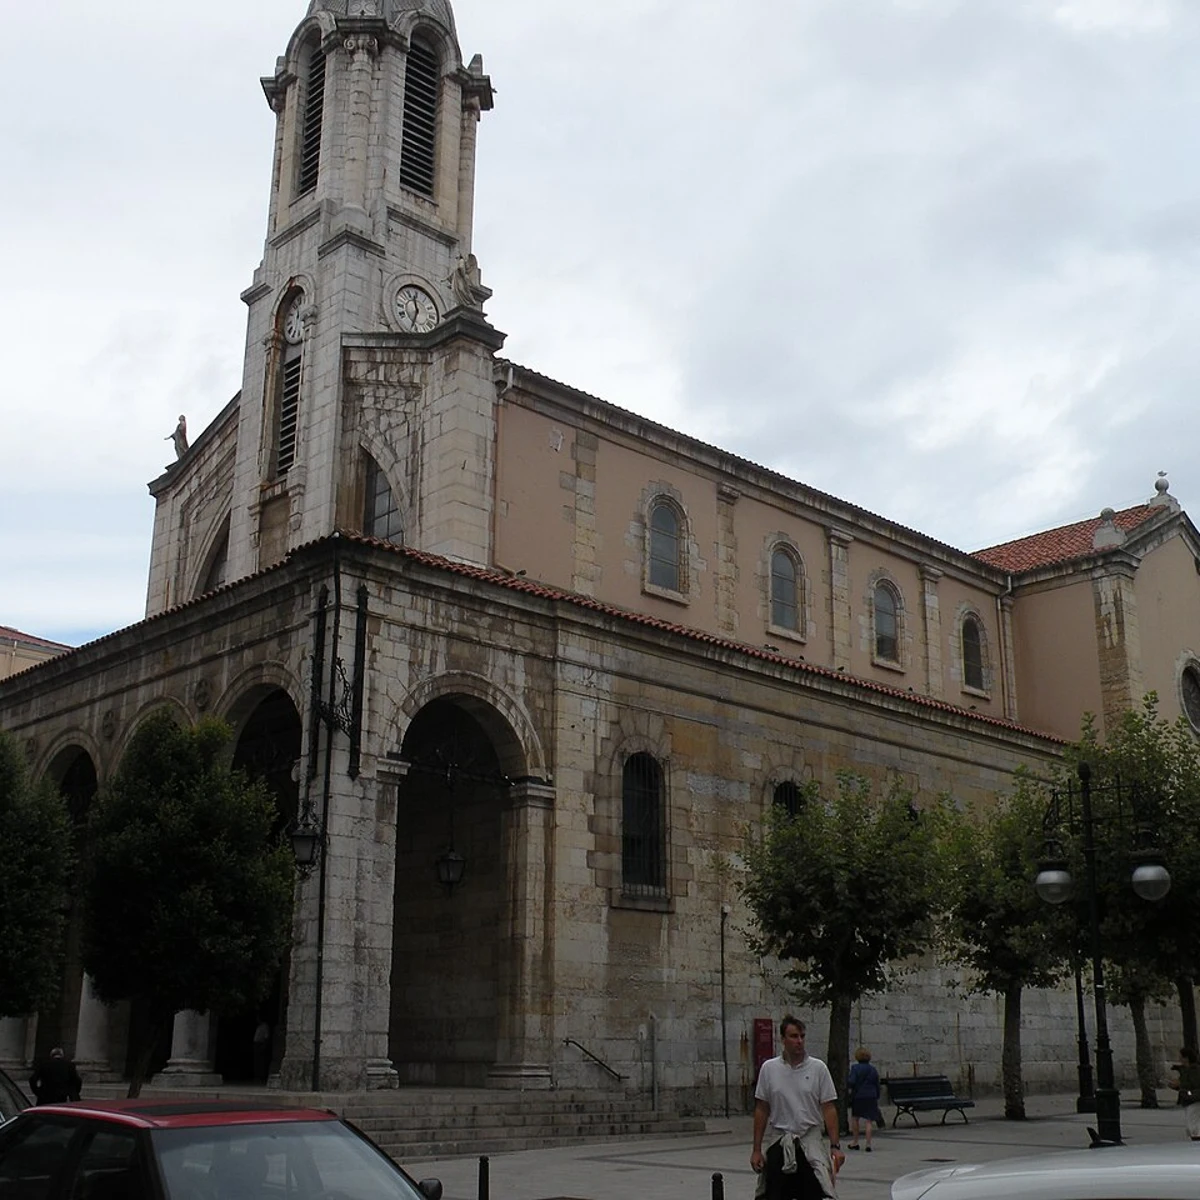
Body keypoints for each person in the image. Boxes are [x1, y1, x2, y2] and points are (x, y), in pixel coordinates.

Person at [751, 1015, 843, 1198]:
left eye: (802, 1036)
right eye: (793, 1036)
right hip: (780, 1141)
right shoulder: (769, 1069)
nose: (799, 1041)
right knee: (772, 1194)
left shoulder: (818, 1068)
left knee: (816, 1193)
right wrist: (756, 1150)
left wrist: (835, 1145)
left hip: (808, 1141)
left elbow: (828, 1108)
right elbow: (762, 1109)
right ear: (783, 1039)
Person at [846, 1047, 880, 1151]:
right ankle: (868, 1144)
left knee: (855, 1118)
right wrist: (877, 1095)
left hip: (858, 1096)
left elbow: (851, 1081)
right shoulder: (873, 1069)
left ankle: (855, 1142)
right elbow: (877, 1084)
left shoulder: (855, 1068)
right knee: (869, 1121)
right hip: (871, 1096)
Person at [1168, 1045, 1200, 1140]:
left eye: (1181, 1057)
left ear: (1186, 1058)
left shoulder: (1195, 1070)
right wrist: (1176, 1086)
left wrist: (1182, 1088)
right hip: (1189, 1099)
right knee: (1192, 1124)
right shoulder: (1185, 1070)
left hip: (1194, 1100)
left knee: (1194, 1124)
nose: (1179, 1059)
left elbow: (1194, 1086)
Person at [253, 1019, 271, 1084]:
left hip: (260, 1044)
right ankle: (257, 1076)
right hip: (256, 1044)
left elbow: (266, 1036)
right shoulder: (259, 1026)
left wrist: (264, 1045)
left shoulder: (264, 1026)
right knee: (257, 1061)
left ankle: (261, 1076)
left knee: (261, 1061)